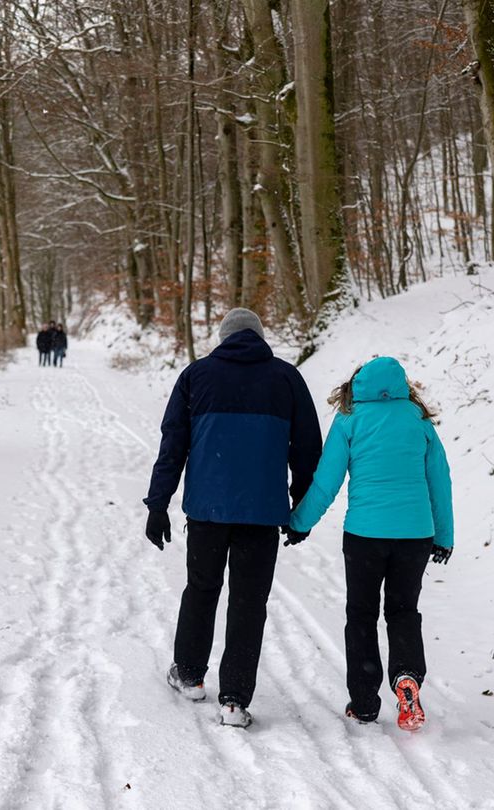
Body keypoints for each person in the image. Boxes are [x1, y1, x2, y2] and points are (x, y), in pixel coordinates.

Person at [144, 308, 322, 728]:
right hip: (262, 513)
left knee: (202, 590)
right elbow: (307, 448)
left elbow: (173, 445)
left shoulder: (197, 376)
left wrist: (158, 504)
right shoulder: (286, 378)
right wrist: (300, 507)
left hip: (207, 511)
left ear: (223, 337)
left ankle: (190, 675)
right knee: (249, 602)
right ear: (260, 337)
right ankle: (234, 701)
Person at [286, 356, 453, 732]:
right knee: (403, 611)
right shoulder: (417, 419)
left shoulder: (350, 418)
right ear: (401, 385)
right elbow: (440, 480)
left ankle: (363, 702)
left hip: (365, 536)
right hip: (415, 535)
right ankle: (407, 677)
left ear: (357, 384)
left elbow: (326, 482)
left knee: (361, 614)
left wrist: (299, 523)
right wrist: (444, 536)